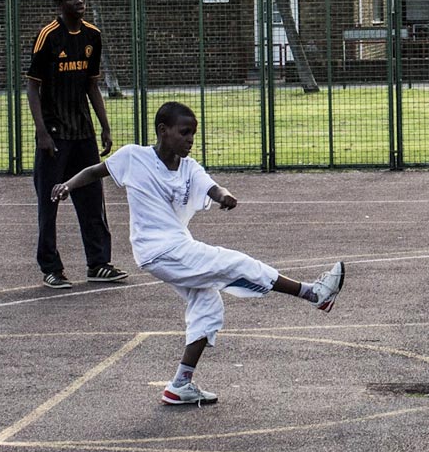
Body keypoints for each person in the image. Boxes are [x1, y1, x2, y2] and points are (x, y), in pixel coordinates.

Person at [53, 102, 346, 406]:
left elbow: (211, 187)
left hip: (174, 249)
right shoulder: (134, 157)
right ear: (163, 131)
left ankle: (180, 384)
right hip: (159, 249)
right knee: (238, 263)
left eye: (193, 133)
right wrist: (67, 186)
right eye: (184, 133)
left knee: (207, 305)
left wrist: (224, 196)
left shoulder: (189, 168)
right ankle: (313, 294)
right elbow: (93, 171)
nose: (190, 139)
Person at [26, 0, 122, 290]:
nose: (79, 2)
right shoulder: (48, 37)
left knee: (93, 199)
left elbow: (92, 85)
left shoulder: (93, 36)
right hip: (54, 133)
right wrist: (41, 132)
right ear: (60, 3)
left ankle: (99, 264)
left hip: (83, 133)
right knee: (49, 201)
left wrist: (104, 126)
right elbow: (32, 87)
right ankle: (51, 268)